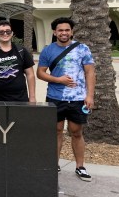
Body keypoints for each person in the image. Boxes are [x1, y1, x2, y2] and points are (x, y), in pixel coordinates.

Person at [37, 17, 95, 182]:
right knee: (55, 132)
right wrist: (59, 80)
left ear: (72, 31)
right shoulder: (48, 50)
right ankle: (53, 165)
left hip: (78, 99)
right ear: (55, 32)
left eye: (67, 30)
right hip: (55, 98)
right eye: (60, 30)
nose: (64, 33)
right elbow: (40, 73)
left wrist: (89, 96)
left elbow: (90, 72)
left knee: (76, 132)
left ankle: (80, 167)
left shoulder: (83, 49)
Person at [0, 20, 36, 102]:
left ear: (12, 33)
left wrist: (32, 97)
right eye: (1, 32)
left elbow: (30, 74)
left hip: (20, 99)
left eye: (8, 31)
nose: (5, 34)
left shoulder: (21, 51)